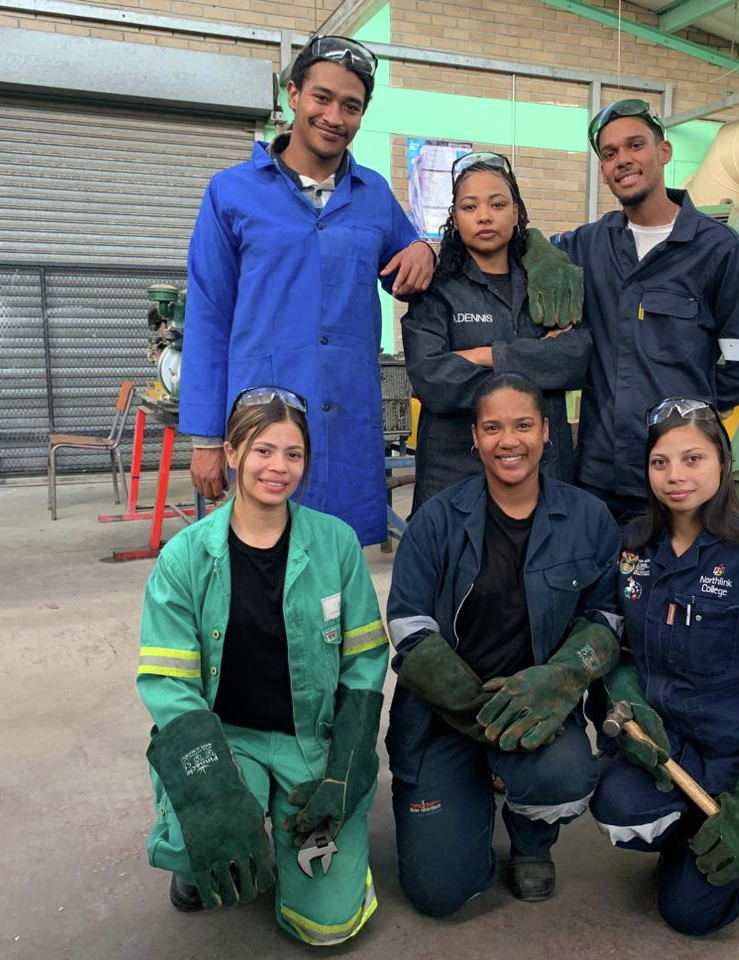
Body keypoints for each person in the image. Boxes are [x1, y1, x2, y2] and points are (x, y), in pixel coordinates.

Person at [137, 386, 389, 946]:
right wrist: (212, 791)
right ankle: (196, 856)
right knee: (200, 839)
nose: (279, 467)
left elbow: (366, 662)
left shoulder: (337, 544)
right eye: (263, 450)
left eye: (293, 454)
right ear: (231, 453)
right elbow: (168, 681)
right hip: (227, 738)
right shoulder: (185, 557)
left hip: (309, 739)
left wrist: (346, 765)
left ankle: (317, 871)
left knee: (326, 927)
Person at [589, 397, 739, 936]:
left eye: (693, 459)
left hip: (738, 758)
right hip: (670, 750)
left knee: (690, 914)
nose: (676, 475)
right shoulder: (633, 547)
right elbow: (612, 645)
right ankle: (696, 834)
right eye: (660, 462)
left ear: (722, 461)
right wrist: (626, 694)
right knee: (614, 807)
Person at [179, 34, 435, 546]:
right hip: (262, 427)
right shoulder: (231, 193)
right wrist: (206, 438)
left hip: (346, 424)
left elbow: (410, 274)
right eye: (322, 97)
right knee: (261, 561)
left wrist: (428, 248)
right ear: (293, 94)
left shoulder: (373, 195)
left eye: (351, 106)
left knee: (337, 564)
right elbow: (208, 318)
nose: (334, 117)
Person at [385, 374, 622, 914]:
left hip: (537, 711)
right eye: (492, 428)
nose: (508, 441)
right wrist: (479, 711)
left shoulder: (588, 518)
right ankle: (469, 790)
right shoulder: (436, 520)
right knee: (440, 893)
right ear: (475, 437)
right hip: (446, 716)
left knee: (565, 775)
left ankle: (531, 840)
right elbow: (408, 626)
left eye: (523, 425)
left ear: (546, 432)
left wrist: (561, 678)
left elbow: (606, 617)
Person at [543, 99, 739, 520]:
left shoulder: (717, 250)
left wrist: (691, 413)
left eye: (635, 145)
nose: (623, 160)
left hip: (679, 483)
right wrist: (426, 252)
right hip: (599, 476)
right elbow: (514, 248)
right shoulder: (588, 245)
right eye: (609, 153)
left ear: (663, 151)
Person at [401, 152, 589, 512]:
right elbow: (432, 378)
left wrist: (487, 356)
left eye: (498, 204)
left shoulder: (548, 282)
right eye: (469, 207)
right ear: (455, 218)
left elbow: (575, 357)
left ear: (516, 213)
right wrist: (537, 363)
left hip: (543, 471)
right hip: (455, 474)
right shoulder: (436, 289)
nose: (484, 216)